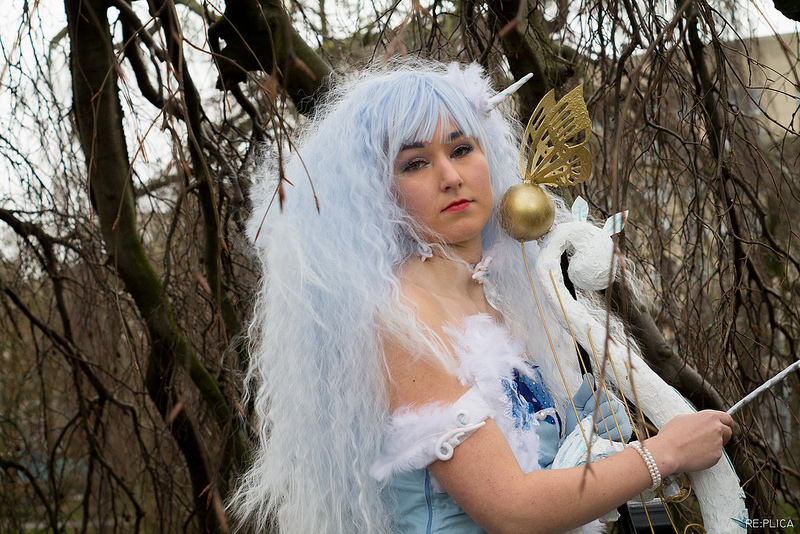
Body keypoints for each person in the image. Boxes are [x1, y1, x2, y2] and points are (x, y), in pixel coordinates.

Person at [230, 59, 734, 534]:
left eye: (461, 149)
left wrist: (583, 439)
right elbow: (511, 509)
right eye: (415, 164)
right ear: (376, 193)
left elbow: (535, 471)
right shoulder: (403, 319)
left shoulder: (498, 300)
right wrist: (663, 454)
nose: (451, 177)